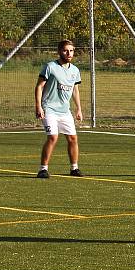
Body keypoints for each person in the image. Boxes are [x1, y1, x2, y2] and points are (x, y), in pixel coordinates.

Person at [34, 39, 83, 178]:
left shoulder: (75, 70)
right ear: (59, 51)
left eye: (71, 50)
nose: (69, 53)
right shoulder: (50, 67)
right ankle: (43, 169)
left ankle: (74, 168)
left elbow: (75, 90)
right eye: (66, 50)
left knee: (73, 138)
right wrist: (39, 106)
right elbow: (39, 86)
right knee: (53, 137)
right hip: (49, 108)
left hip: (64, 110)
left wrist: (78, 109)